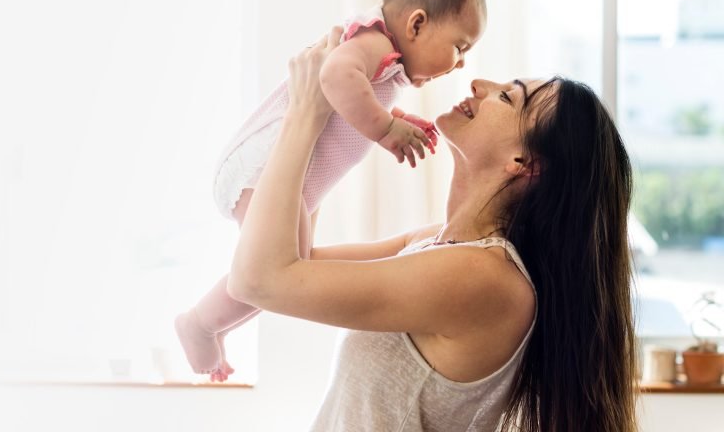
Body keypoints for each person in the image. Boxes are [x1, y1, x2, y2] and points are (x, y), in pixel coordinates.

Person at [228, 28, 638, 431]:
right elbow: (293, 258)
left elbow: (261, 280)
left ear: (522, 163)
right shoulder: (436, 244)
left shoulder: (483, 277)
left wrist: (305, 112)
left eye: (507, 97)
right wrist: (333, 127)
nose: (479, 83)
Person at [176, 0, 486, 381]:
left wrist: (393, 122)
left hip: (288, 175)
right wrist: (384, 129)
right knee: (279, 272)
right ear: (416, 24)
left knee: (287, 270)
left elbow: (354, 104)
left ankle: (213, 326)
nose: (462, 63)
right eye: (460, 46)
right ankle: (199, 324)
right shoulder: (376, 41)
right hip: (265, 163)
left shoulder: (386, 58)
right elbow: (335, 76)